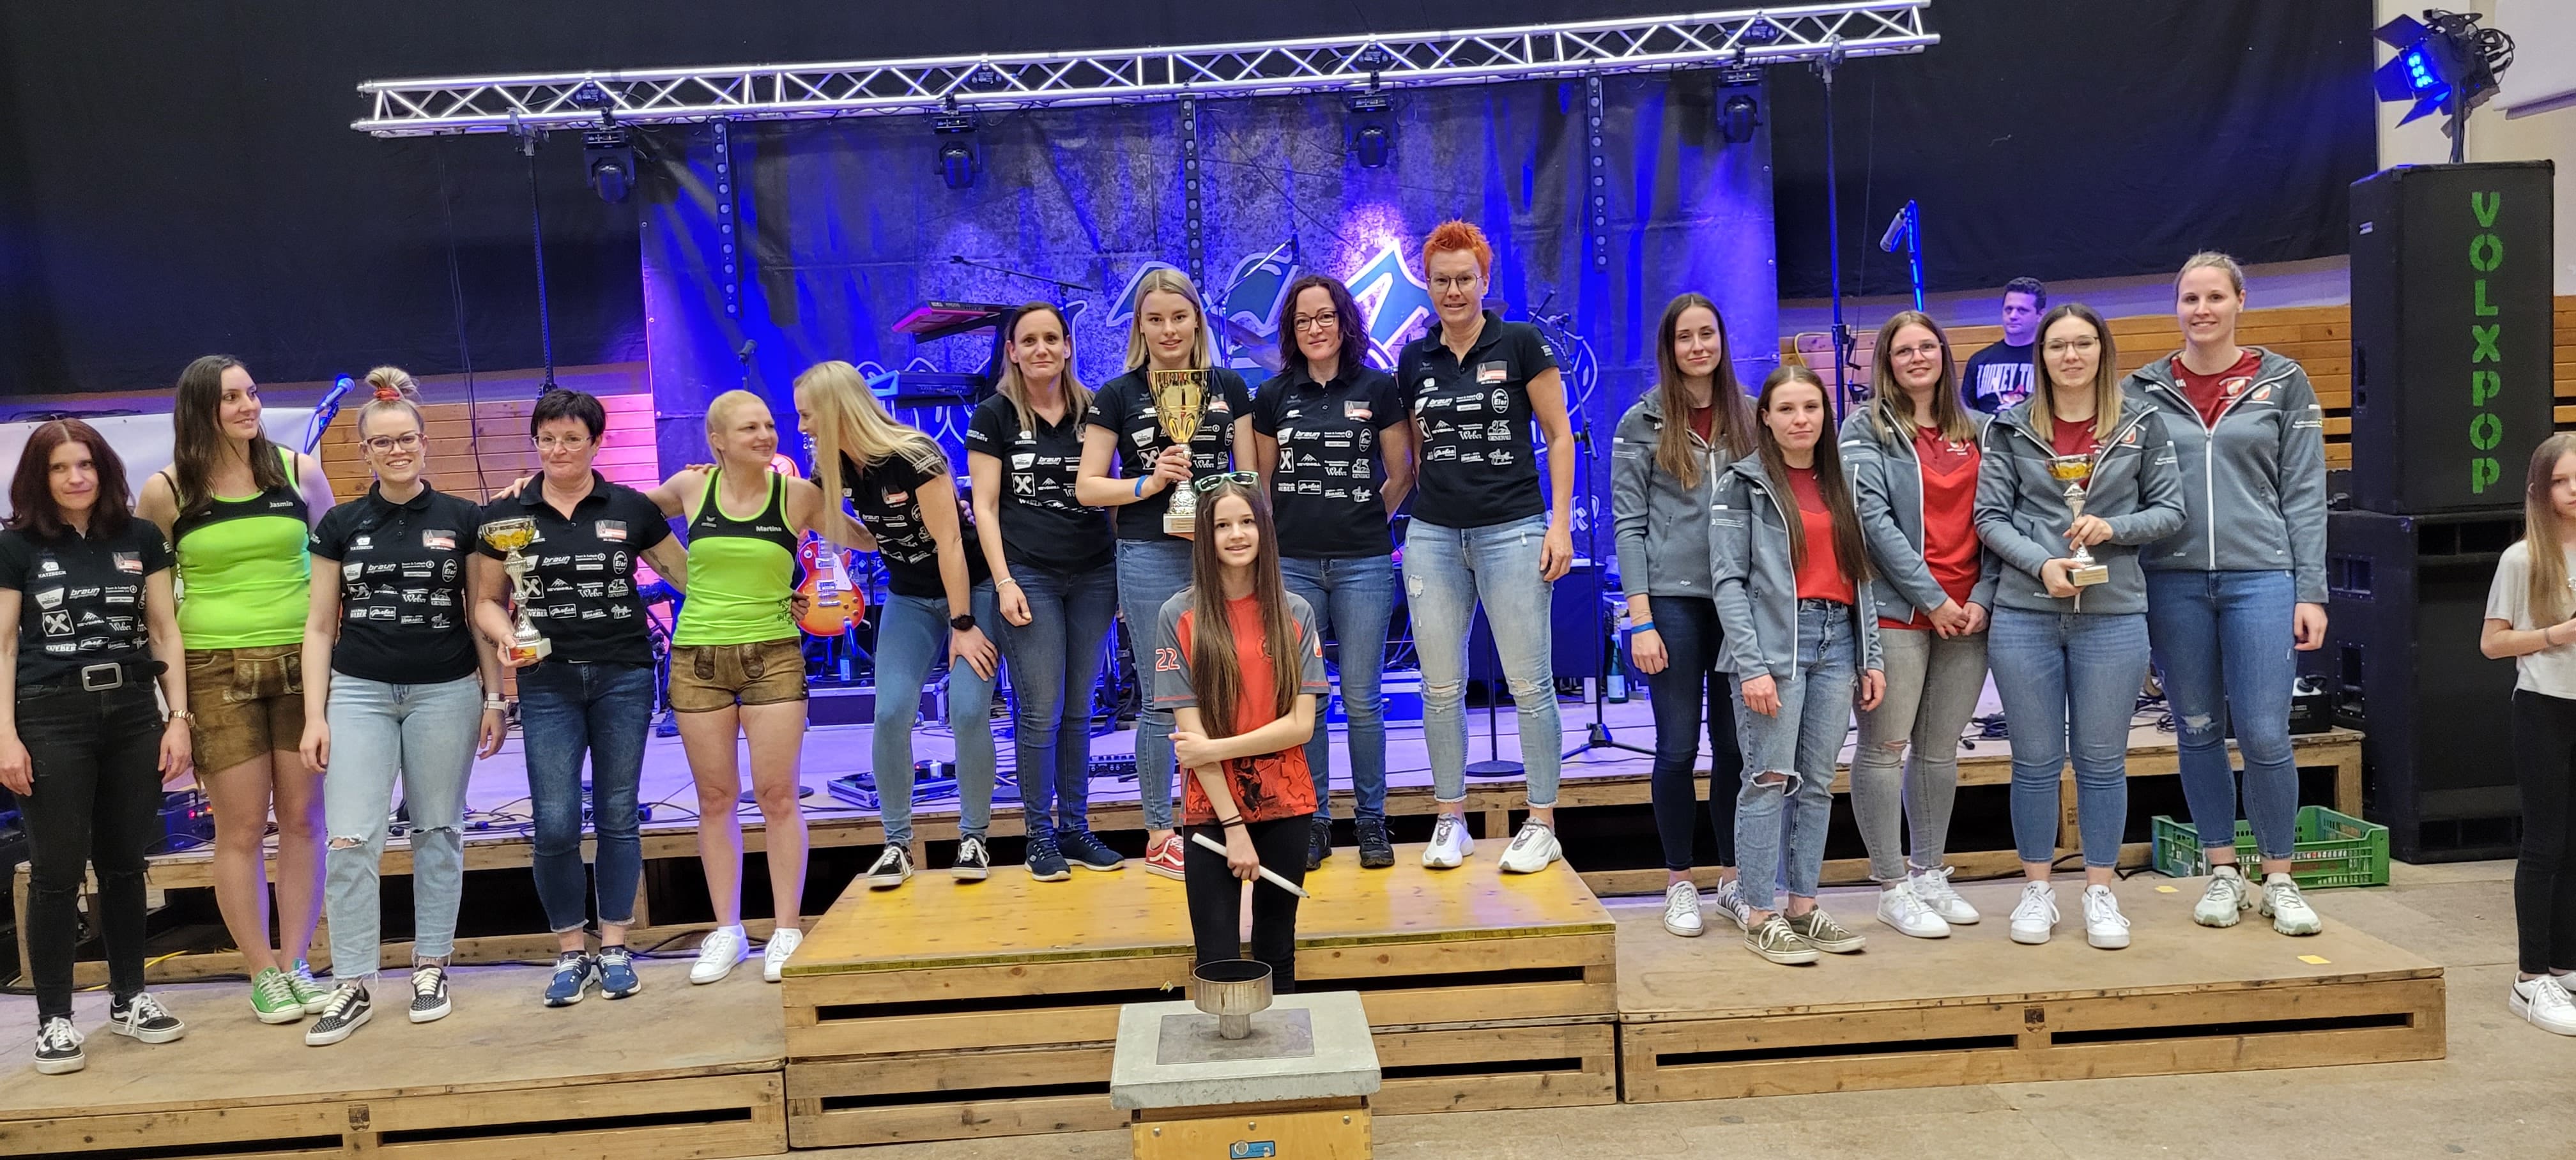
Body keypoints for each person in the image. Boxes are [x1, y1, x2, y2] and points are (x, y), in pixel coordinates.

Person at [296, 372, 507, 1045]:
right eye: (382, 442)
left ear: (424, 442)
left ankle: (431, 966)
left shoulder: (463, 518)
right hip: (358, 691)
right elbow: (319, 626)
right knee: (350, 837)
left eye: (406, 439)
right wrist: (315, 714)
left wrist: (496, 695)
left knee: (437, 831)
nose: (396, 450)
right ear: (364, 452)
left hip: (446, 690)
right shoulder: (340, 525)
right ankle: (354, 981)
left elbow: (480, 612)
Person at [2124, 252, 2330, 938]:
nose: (2202, 309)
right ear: (2176, 308)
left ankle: (2279, 878)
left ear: (2242, 300)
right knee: (2198, 728)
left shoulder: (2284, 381)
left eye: (2215, 296)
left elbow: (2305, 492)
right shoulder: (2142, 390)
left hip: (2262, 578)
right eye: (2190, 298)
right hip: (2172, 581)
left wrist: (2311, 589)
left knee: (2266, 731)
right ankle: (2221, 869)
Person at [1975, 303, 2184, 951]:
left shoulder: (2142, 423)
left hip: (2113, 615)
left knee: (2101, 762)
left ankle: (2100, 890)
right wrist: (2043, 564)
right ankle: (2037, 889)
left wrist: (2114, 527)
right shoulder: (2010, 427)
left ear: (2102, 351)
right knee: (2034, 762)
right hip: (2025, 615)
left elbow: (2171, 510)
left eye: (2083, 343)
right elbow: (1990, 517)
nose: (2070, 355)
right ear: (2040, 355)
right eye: (2057, 345)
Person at [471, 388, 689, 1007]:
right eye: (547, 439)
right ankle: (571, 950)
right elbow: (485, 601)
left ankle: (615, 945)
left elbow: (685, 576)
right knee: (555, 819)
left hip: (624, 676)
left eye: (571, 438)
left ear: (596, 442)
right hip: (548, 683)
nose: (558, 450)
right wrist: (507, 635)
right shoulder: (506, 513)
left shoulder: (629, 507)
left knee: (619, 813)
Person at [137, 355, 339, 1023]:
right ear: (201, 408)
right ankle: (262, 971)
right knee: (243, 825)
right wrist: (175, 710)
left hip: (301, 662)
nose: (248, 405)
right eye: (231, 398)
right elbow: (158, 614)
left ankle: (297, 960)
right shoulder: (165, 491)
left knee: (304, 819)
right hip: (214, 668)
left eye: (252, 393)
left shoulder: (299, 472)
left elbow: (337, 566)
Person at [1, 421, 192, 1074]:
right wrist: (5, 736)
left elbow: (164, 630)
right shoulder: (16, 546)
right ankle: (54, 1018)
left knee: (124, 864)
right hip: (51, 716)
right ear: (39, 478)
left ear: (103, 469)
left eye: (84, 464)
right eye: (59, 468)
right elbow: (3, 645)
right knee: (56, 871)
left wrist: (178, 718)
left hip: (134, 713)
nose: (75, 477)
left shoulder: (140, 537)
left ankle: (130, 997)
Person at [1401, 220, 1577, 874]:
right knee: (1440, 687)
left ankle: (1542, 822)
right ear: (1428, 284)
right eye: (1441, 280)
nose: (1454, 291)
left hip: (1514, 529)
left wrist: (1560, 525)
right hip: (1434, 535)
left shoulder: (1522, 342)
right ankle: (1451, 819)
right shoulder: (1414, 358)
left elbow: (1559, 436)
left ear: (1485, 280)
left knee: (1530, 683)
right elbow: (1416, 452)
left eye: (1465, 279)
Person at [654, 390, 839, 986]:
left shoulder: (798, 495)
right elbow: (621, 516)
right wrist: (674, 569)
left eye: (767, 425)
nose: (764, 435)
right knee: (716, 799)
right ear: (717, 441)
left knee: (778, 795)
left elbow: (861, 538)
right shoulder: (690, 486)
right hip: (697, 660)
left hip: (774, 657)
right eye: (748, 428)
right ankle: (727, 930)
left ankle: (786, 928)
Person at [1080, 266, 1255, 880]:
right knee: (1162, 698)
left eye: (1179, 317)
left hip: (1222, 553)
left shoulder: (1229, 385)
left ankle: (1231, 818)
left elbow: (1250, 478)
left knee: (1231, 689)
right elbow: (1088, 487)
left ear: (1197, 321)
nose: (1168, 330)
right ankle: (1160, 832)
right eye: (1155, 319)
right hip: (1149, 551)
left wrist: (1232, 523)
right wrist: (1150, 483)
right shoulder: (1117, 393)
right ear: (1140, 327)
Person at [801, 361, 1002, 886]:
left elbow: (950, 543)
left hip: (969, 589)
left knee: (967, 710)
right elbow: (864, 537)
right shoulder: (832, 469)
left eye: (808, 415)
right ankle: (896, 844)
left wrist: (963, 624)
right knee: (890, 712)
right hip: (909, 595)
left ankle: (974, 838)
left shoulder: (914, 454)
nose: (802, 426)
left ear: (835, 410)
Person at [1711, 365, 1885, 965]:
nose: (1800, 419)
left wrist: (1870, 655)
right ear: (1765, 417)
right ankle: (1759, 913)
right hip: (1772, 649)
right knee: (1768, 780)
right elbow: (1728, 583)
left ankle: (1803, 907)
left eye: (1810, 407)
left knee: (1816, 784)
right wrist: (1752, 667)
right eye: (1786, 409)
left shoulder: (1842, 481)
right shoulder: (1742, 484)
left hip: (1837, 644)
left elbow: (1860, 578)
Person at [1248, 274, 1414, 871]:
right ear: (1291, 331)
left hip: (1364, 563)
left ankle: (1371, 820)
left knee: (1363, 699)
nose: (1315, 328)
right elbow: (1261, 483)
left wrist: (1366, 519)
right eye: (1302, 320)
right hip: (1292, 565)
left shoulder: (1378, 387)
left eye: (1325, 317)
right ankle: (1314, 820)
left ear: (1345, 322)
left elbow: (1402, 472)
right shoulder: (1272, 395)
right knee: (1308, 700)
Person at [1840, 311, 1995, 940]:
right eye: (1903, 350)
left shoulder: (1979, 429)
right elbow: (1873, 523)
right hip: (1898, 612)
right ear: (1886, 362)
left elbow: (2001, 517)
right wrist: (1932, 599)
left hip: (1969, 616)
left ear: (1944, 356)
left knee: (1938, 751)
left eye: (1927, 347)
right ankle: (1891, 886)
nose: (1917, 358)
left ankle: (1929, 872)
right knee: (1884, 749)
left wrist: (1982, 595)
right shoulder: (1865, 428)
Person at [1611, 293, 1754, 938]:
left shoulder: (1751, 414)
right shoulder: (1640, 422)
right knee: (1676, 747)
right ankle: (1678, 883)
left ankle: (1732, 879)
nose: (1698, 346)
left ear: (1722, 340)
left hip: (1739, 602)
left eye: (1708, 334)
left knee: (1734, 748)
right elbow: (1628, 526)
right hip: (1670, 602)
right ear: (1669, 348)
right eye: (1685, 337)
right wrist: (1640, 619)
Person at [968, 303, 1119, 883]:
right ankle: (1039, 835)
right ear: (1011, 350)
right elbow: (984, 507)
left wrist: (1122, 571)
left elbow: (1110, 493)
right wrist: (1004, 580)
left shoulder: (1094, 409)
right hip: (1028, 574)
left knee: (1080, 709)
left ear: (1067, 346)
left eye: (1051, 338)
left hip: (1094, 574)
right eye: (1028, 340)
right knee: (1041, 710)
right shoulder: (995, 414)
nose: (1041, 349)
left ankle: (1075, 828)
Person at [1156, 477, 1324, 991]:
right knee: (1217, 962)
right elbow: (1191, 744)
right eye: (1222, 525)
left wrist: (1217, 747)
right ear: (1204, 536)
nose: (1236, 534)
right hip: (1210, 808)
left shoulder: (1296, 612)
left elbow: (1301, 725)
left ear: (1264, 530)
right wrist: (1233, 828)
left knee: (1278, 951)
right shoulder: (1177, 615)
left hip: (1286, 802)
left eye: (1247, 522)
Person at [2479, 432, 2576, 1037]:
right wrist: (2554, 635)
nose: (2574, 491)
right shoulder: (2522, 559)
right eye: (2562, 481)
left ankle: (2565, 965)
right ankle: (2530, 976)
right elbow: (2492, 643)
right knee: (2545, 842)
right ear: (2541, 490)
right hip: (2544, 706)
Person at [1958, 277, 2045, 415]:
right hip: (1989, 428)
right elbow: (1966, 413)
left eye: (2022, 310)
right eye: (2008, 309)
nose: (2013, 316)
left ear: (2040, 315)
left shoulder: (2048, 358)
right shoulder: (1979, 360)